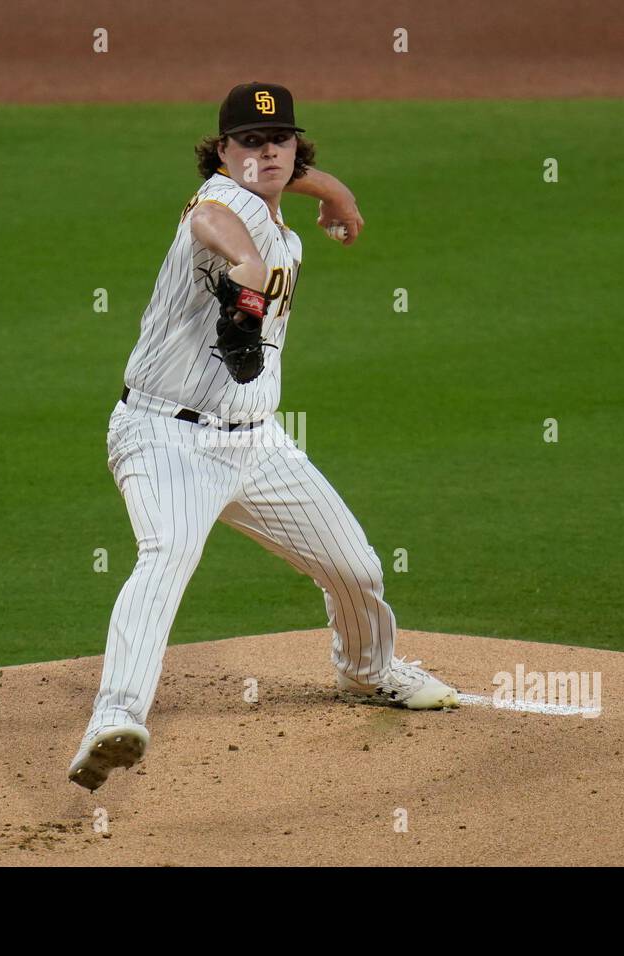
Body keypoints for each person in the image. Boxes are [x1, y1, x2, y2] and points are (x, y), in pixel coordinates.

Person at [69, 82, 459, 792]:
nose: (264, 152)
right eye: (247, 141)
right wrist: (246, 269)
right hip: (165, 437)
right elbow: (212, 218)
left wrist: (334, 194)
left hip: (256, 444)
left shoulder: (280, 210)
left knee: (356, 569)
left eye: (277, 140)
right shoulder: (225, 204)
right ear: (222, 151)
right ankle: (113, 719)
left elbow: (282, 181)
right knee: (166, 558)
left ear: (294, 147)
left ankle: (368, 671)